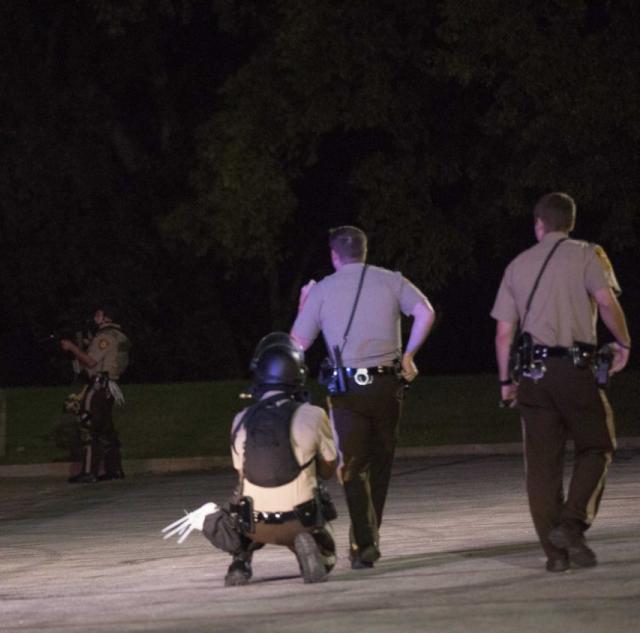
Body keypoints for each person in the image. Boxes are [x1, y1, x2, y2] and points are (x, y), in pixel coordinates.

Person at [491, 192, 630, 573]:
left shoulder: (517, 266)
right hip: (575, 371)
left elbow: (504, 333)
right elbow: (605, 301)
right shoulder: (588, 254)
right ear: (571, 221)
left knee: (541, 467)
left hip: (533, 377)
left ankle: (556, 555)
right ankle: (571, 524)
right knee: (598, 445)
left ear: (539, 223)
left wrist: (506, 382)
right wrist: (623, 341)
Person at [290, 225, 435, 569]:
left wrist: (303, 304)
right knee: (382, 462)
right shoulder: (391, 279)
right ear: (365, 251)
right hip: (389, 385)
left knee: (353, 468)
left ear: (334, 255)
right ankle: (366, 540)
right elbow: (426, 311)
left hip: (348, 390)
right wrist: (409, 355)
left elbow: (297, 343)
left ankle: (365, 542)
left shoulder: (323, 289)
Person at [162, 332, 339, 586]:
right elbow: (329, 468)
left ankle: (240, 561)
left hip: (255, 525)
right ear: (298, 373)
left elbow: (242, 471)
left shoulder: (241, 420)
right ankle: (312, 548)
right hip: (302, 519)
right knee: (317, 505)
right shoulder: (313, 414)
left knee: (240, 499)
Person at [60, 306, 131, 483]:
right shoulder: (119, 335)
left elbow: (91, 361)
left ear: (106, 317)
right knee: (106, 428)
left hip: (99, 387)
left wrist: (72, 348)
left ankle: (89, 471)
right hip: (110, 387)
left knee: (89, 426)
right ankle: (114, 470)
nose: (95, 318)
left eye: (98, 315)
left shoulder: (105, 336)